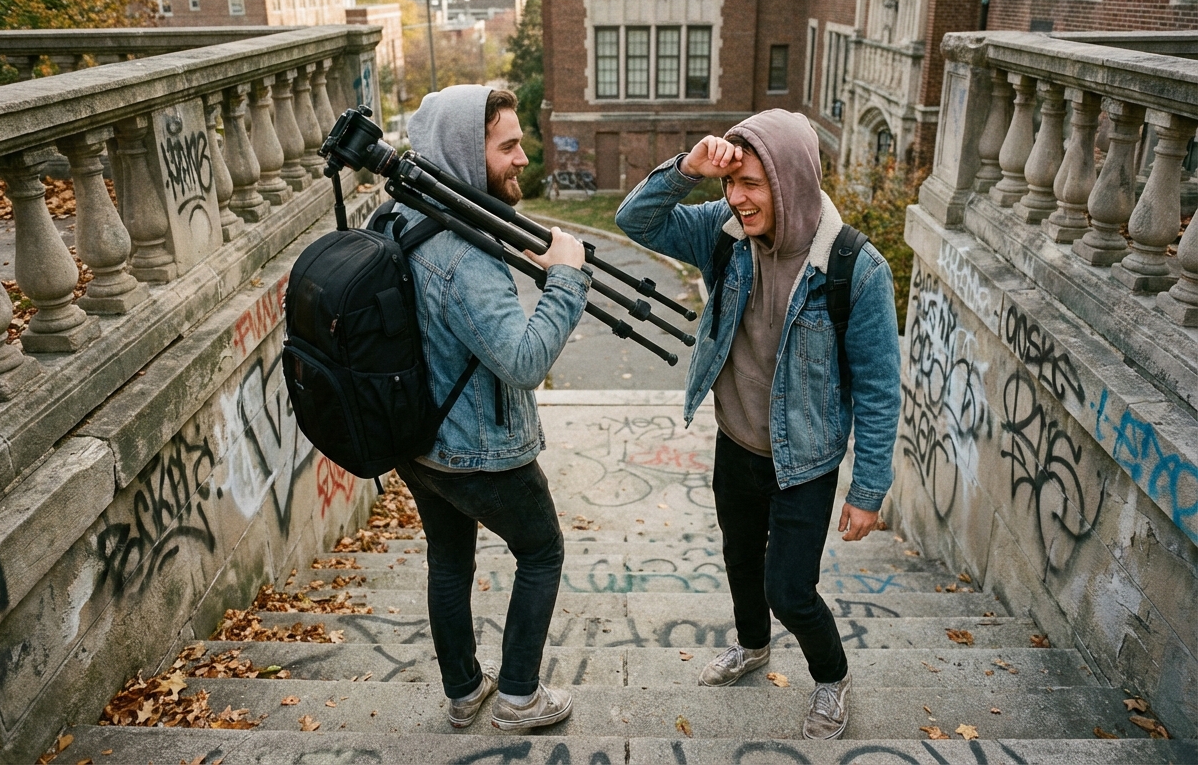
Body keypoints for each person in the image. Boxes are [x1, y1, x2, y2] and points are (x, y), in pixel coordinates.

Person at [615, 109, 901, 740]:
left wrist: (868, 489)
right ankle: (752, 646)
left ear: (790, 180)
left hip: (806, 462)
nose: (737, 199)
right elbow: (635, 219)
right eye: (731, 183)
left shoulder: (855, 268)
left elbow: (880, 387)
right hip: (736, 442)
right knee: (740, 561)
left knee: (789, 590)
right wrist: (689, 168)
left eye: (752, 183)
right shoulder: (725, 236)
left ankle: (831, 678)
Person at [386, 85, 588, 731]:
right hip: (479, 450)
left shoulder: (402, 214)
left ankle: (463, 690)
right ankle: (520, 698)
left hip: (418, 441)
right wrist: (567, 276)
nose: (523, 157)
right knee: (543, 552)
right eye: (508, 145)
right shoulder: (463, 253)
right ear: (469, 156)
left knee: (449, 558)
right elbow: (525, 363)